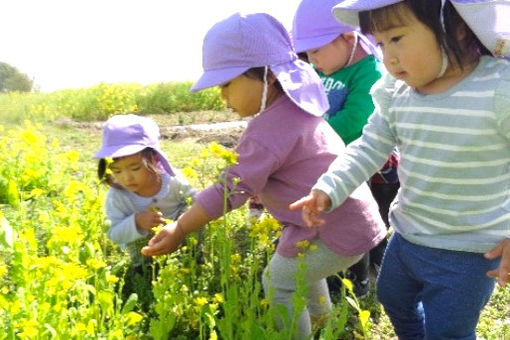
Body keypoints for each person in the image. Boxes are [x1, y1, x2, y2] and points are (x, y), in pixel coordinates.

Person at [141, 12, 386, 339]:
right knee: (299, 271)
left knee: (278, 283)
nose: (223, 97)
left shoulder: (270, 127)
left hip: (334, 229)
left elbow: (231, 190)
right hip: (345, 219)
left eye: (227, 84)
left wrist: (180, 225)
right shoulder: (297, 107)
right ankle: (321, 323)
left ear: (268, 76)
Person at [290, 0, 510, 338]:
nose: (387, 56)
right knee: (392, 297)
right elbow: (369, 145)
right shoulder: (396, 93)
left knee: (449, 330)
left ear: (458, 26)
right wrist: (330, 186)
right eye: (379, 43)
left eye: (396, 38)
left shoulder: (499, 89)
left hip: (471, 252)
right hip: (408, 235)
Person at [291, 0, 400, 298]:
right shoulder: (327, 69)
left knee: (364, 223)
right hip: (336, 161)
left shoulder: (369, 71)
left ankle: (359, 283)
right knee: (349, 223)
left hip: (373, 167)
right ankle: (364, 271)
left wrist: (310, 138)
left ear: (348, 39)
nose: (312, 60)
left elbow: (356, 120)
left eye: (315, 50)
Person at [94, 114, 197, 269]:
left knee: (197, 223)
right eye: (117, 171)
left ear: (154, 158)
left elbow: (198, 204)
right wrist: (137, 222)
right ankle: (143, 269)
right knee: (144, 267)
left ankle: (194, 257)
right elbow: (114, 233)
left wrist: (180, 224)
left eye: (135, 168)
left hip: (182, 244)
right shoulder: (117, 197)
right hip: (144, 256)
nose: (127, 178)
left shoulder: (173, 181)